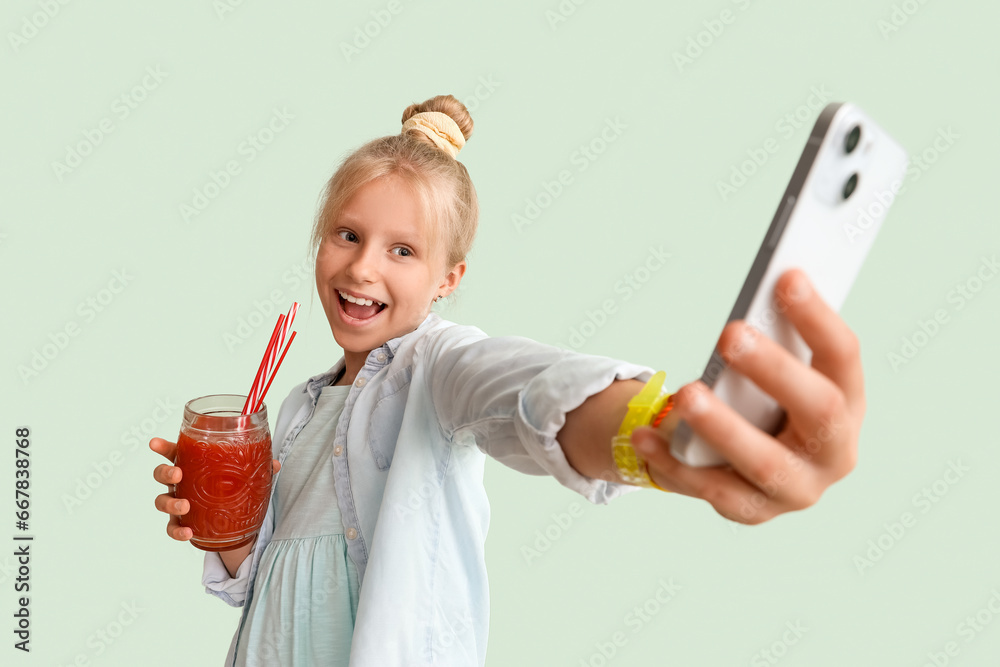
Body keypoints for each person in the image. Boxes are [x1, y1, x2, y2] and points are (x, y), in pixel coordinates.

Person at [149, 94, 864, 666]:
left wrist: (662, 424)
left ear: (446, 280)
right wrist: (223, 525)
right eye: (347, 235)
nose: (363, 267)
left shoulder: (436, 368)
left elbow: (524, 392)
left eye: (403, 249)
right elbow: (267, 577)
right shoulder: (299, 406)